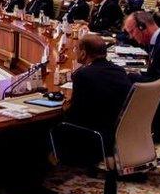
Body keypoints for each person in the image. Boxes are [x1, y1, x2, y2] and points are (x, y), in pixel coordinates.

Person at [57, 35, 133, 165]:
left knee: (51, 123)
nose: (75, 52)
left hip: (92, 135)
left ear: (83, 53)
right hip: (115, 132)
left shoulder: (83, 75)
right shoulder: (119, 71)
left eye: (76, 49)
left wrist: (63, 107)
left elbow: (76, 113)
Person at [124, 11, 160, 102]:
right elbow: (155, 74)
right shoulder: (159, 39)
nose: (131, 36)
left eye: (131, 31)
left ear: (142, 27)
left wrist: (131, 76)